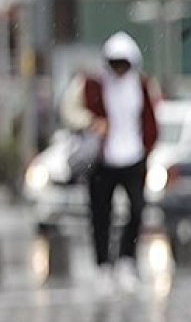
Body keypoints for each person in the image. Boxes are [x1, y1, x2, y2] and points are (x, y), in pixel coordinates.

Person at [60, 31, 160, 295]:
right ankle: (103, 265)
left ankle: (127, 260)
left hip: (134, 159)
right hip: (102, 161)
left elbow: (151, 121)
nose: (119, 70)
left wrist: (147, 148)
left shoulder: (142, 85)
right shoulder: (91, 84)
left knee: (137, 210)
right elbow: (69, 110)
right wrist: (92, 123)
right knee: (100, 214)